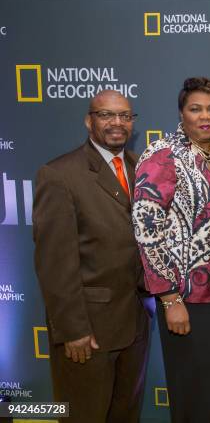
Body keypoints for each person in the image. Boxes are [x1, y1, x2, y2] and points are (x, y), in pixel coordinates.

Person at [33, 90, 149, 423]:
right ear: (89, 120)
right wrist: (72, 331)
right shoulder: (59, 175)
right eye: (106, 115)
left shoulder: (140, 167)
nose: (117, 123)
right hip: (89, 333)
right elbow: (55, 264)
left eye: (125, 116)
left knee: (125, 415)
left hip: (134, 326)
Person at [132, 77, 210, 422]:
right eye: (195, 109)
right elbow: (147, 229)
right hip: (186, 298)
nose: (205, 116)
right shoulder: (163, 154)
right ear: (182, 113)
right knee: (195, 395)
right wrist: (169, 298)